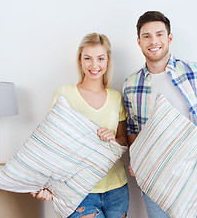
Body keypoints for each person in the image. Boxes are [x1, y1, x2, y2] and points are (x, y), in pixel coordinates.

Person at [123, 11, 197, 218]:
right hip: (154, 181)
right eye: (146, 36)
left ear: (169, 38)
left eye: (159, 34)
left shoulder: (195, 72)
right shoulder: (131, 84)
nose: (153, 41)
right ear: (139, 42)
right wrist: (137, 160)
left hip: (195, 177)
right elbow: (133, 130)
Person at [32, 33, 129, 218]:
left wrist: (113, 139)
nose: (94, 65)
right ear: (80, 61)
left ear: (107, 61)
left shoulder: (116, 97)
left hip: (117, 189)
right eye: (88, 58)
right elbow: (50, 143)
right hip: (78, 192)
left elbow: (124, 141)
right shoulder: (64, 94)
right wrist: (43, 182)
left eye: (100, 58)